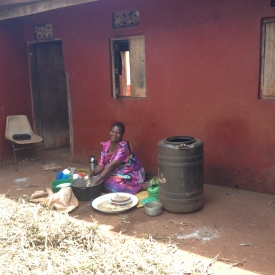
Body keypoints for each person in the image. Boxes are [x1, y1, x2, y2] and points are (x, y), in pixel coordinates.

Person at [90, 122, 145, 194]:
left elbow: (112, 165)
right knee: (96, 177)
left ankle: (141, 186)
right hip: (115, 170)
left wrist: (98, 180)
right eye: (112, 131)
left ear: (122, 135)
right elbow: (101, 165)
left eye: (117, 133)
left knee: (112, 184)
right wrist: (90, 174)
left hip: (131, 172)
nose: (114, 135)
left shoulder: (124, 146)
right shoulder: (106, 145)